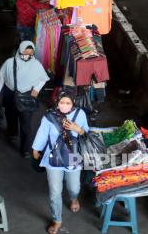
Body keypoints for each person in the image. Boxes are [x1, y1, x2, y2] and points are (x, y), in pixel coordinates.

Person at [32, 91, 89, 234]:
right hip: (53, 157)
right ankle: (57, 220)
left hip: (73, 156)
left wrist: (78, 129)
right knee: (55, 192)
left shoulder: (79, 114)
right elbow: (42, 133)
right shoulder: (49, 116)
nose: (64, 106)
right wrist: (36, 149)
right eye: (61, 102)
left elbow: (87, 134)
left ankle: (74, 198)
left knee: (74, 186)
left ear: (73, 103)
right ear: (57, 102)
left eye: (68, 103)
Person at [0, 41, 50, 157]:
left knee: (26, 124)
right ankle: (12, 132)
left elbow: (43, 78)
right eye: (25, 53)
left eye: (30, 54)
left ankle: (25, 149)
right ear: (19, 51)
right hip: (10, 94)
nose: (27, 57)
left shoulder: (36, 64)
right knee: (10, 116)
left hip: (27, 96)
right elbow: (1, 79)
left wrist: (37, 89)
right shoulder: (9, 63)